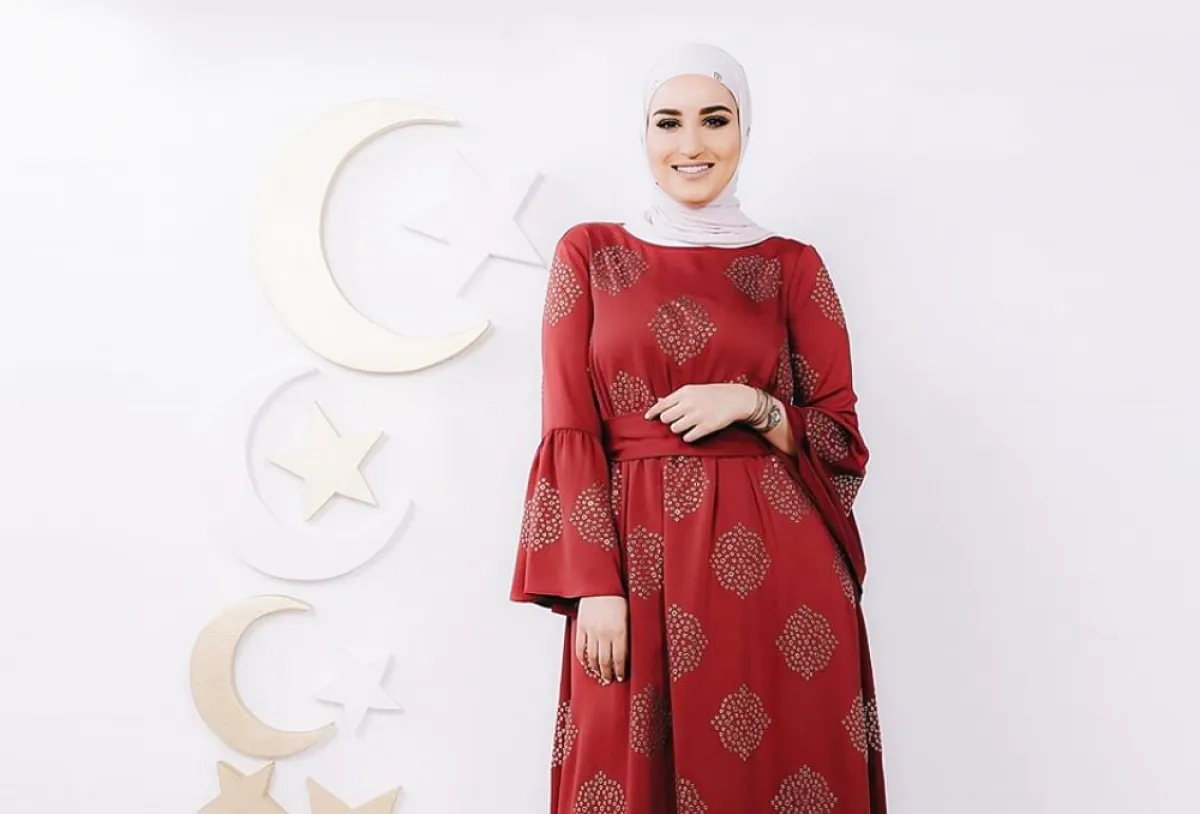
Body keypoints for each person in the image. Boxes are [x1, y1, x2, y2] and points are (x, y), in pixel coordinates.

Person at [510, 41, 886, 814]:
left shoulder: (792, 265)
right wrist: (593, 587)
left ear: (745, 131)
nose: (692, 144)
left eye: (715, 120)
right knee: (620, 766)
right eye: (668, 122)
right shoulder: (590, 252)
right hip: (635, 559)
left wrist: (753, 404)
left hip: (780, 571)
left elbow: (841, 440)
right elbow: (568, 425)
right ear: (643, 134)